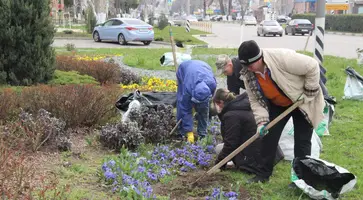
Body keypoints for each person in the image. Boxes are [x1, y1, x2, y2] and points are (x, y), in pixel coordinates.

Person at [237, 40, 325, 185]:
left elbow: (312, 66)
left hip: (300, 101)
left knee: (302, 142)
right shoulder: (248, 74)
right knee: (268, 137)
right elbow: (256, 101)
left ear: (259, 59)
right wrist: (262, 122)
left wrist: (309, 91)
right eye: (246, 66)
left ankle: (300, 178)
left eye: (251, 65)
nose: (249, 69)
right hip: (278, 103)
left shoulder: (281, 58)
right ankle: (263, 174)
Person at [212, 88, 263, 175]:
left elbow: (231, 143)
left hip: (251, 156)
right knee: (220, 148)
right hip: (262, 152)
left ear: (220, 102)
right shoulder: (243, 105)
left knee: (219, 149)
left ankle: (242, 162)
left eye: (216, 104)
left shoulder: (231, 116)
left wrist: (219, 164)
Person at [176, 60, 217, 143]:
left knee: (204, 109)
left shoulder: (212, 84)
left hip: (204, 66)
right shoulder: (187, 89)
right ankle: (183, 131)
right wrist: (189, 131)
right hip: (184, 69)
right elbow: (185, 109)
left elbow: (207, 105)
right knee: (182, 103)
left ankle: (202, 134)